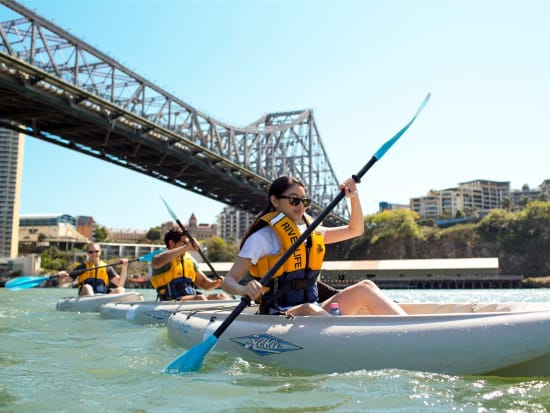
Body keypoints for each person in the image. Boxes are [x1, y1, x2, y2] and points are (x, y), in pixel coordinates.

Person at [222, 175, 407, 316]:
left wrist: (353, 197)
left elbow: (355, 229)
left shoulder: (311, 232)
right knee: (310, 308)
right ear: (275, 201)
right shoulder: (262, 238)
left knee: (366, 287)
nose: (301, 206)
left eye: (305, 201)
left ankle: (409, 329)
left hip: (315, 308)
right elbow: (228, 281)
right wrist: (243, 289)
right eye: (294, 199)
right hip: (278, 314)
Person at [150, 227, 227, 301]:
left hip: (191, 299)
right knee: (200, 298)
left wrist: (216, 283)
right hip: (170, 300)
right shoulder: (163, 257)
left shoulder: (190, 260)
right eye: (184, 243)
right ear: (171, 243)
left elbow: (203, 283)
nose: (188, 246)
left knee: (221, 297)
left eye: (188, 243)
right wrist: (186, 247)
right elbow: (155, 263)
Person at [58, 242, 128, 296]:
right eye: (91, 252)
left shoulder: (107, 268)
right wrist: (61, 277)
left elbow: (120, 283)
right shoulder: (82, 267)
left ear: (100, 252)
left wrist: (124, 267)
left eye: (96, 251)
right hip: (85, 297)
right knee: (87, 287)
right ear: (87, 253)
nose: (94, 254)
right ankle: (93, 302)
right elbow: (64, 282)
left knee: (121, 290)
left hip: (102, 297)